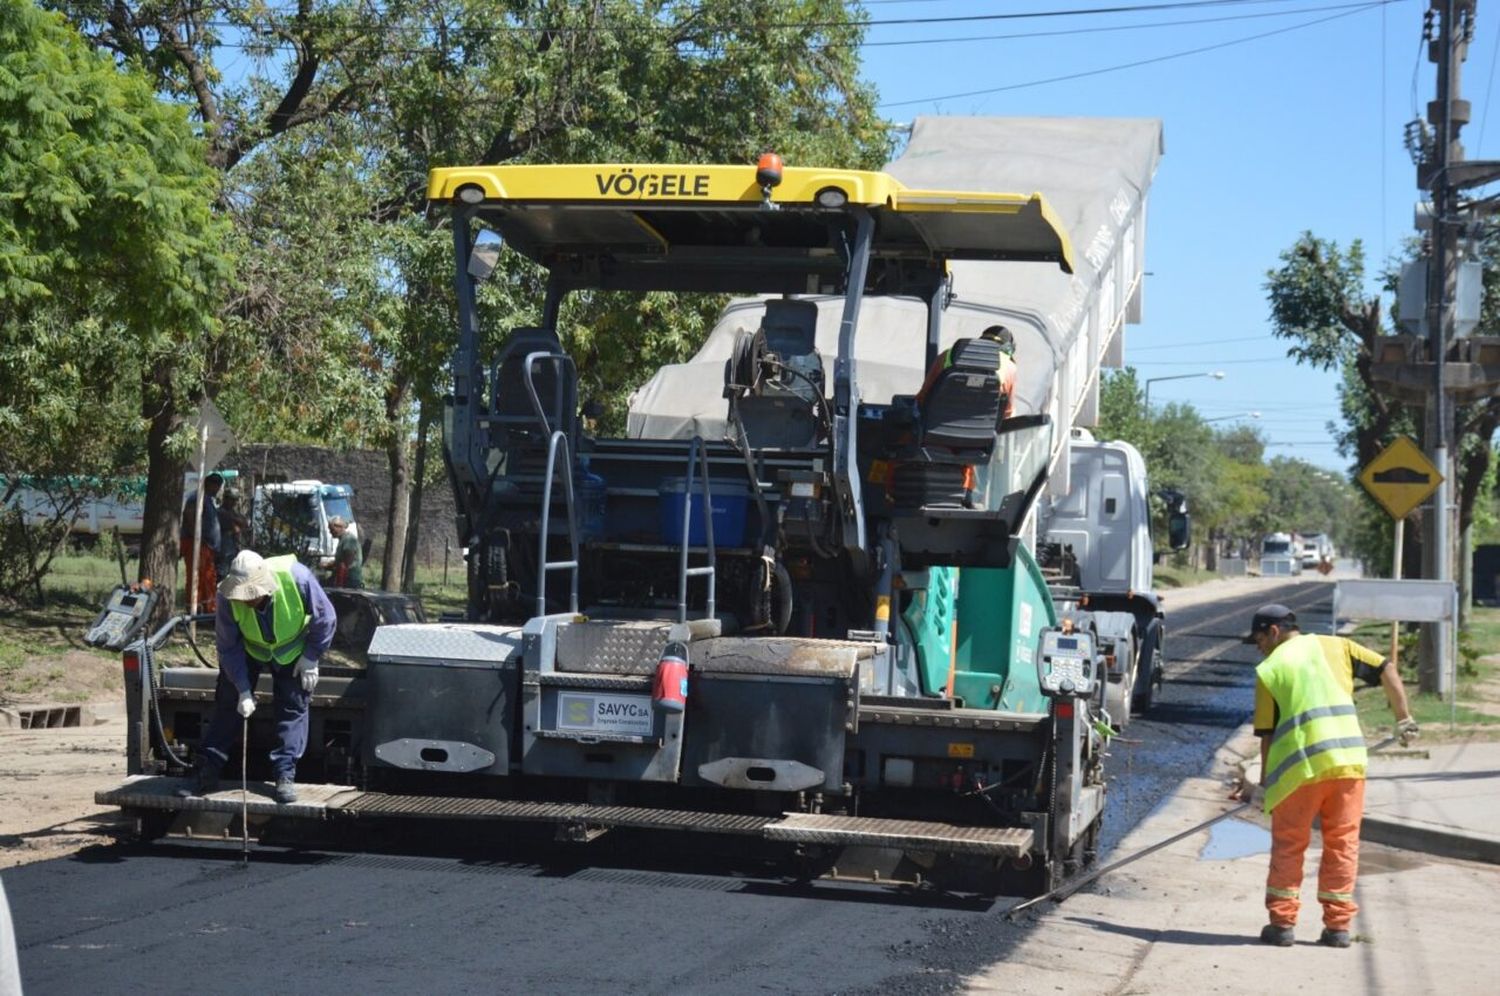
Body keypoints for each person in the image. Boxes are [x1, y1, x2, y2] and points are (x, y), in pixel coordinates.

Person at [1242, 603, 1417, 949]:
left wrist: (1265, 784)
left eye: (1259, 638)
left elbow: (1268, 735)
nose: (1258, 646)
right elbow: (1387, 668)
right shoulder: (1339, 647)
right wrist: (1404, 719)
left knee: (1290, 845)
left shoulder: (1270, 669)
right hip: (1348, 764)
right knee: (1343, 843)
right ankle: (1338, 928)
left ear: (1274, 632)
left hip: (1300, 770)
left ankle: (1282, 924)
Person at [178, 550, 336, 804]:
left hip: (292, 650)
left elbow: (326, 618)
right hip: (250, 649)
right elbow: (228, 647)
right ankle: (207, 770)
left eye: (252, 594)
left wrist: (311, 657)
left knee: (293, 706)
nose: (247, 600)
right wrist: (242, 689)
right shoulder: (226, 596)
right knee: (228, 702)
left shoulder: (298, 579)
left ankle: (284, 775)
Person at [915, 323, 1018, 420]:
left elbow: (923, 396)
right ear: (1008, 348)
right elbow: (1008, 413)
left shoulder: (947, 355)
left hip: (935, 428)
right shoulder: (1009, 367)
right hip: (983, 433)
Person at [179, 472, 224, 614]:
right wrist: (198, 538)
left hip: (207, 546)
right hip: (196, 544)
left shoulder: (208, 499)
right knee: (196, 577)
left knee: (208, 578)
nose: (217, 489)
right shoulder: (196, 498)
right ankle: (195, 610)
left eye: (219, 486)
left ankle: (207, 609)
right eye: (215, 485)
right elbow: (189, 517)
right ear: (208, 484)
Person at [215, 489, 251, 575]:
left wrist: (236, 520)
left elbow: (245, 523)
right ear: (226, 499)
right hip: (224, 548)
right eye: (232, 499)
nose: (235, 502)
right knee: (223, 572)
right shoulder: (220, 512)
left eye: (236, 500)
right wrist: (236, 521)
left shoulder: (232, 512)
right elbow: (237, 529)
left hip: (232, 546)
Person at [323, 515, 364, 589]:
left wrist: (329, 566)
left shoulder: (349, 540)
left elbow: (346, 563)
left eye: (331, 529)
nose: (330, 532)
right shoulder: (342, 540)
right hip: (342, 579)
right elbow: (341, 560)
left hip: (350, 581)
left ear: (338, 527)